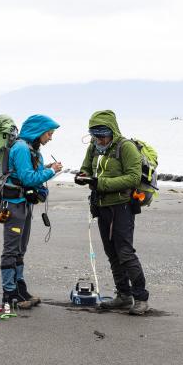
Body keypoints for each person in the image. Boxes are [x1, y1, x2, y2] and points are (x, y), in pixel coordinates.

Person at [75, 110, 150, 315]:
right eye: (95, 135)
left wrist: (101, 183)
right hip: (101, 205)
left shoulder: (126, 147)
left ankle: (141, 298)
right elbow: (86, 169)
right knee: (111, 253)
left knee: (125, 252)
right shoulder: (94, 147)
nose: (99, 139)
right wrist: (83, 176)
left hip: (123, 206)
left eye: (102, 135)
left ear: (112, 131)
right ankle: (124, 296)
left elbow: (134, 178)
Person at [0, 114, 62, 310]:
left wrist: (46, 167)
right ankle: (9, 294)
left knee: (21, 249)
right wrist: (51, 172)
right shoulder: (20, 148)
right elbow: (28, 178)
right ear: (38, 132)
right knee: (11, 250)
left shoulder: (32, 149)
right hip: (13, 204)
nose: (50, 137)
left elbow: (28, 173)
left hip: (24, 204)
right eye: (49, 133)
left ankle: (20, 289)